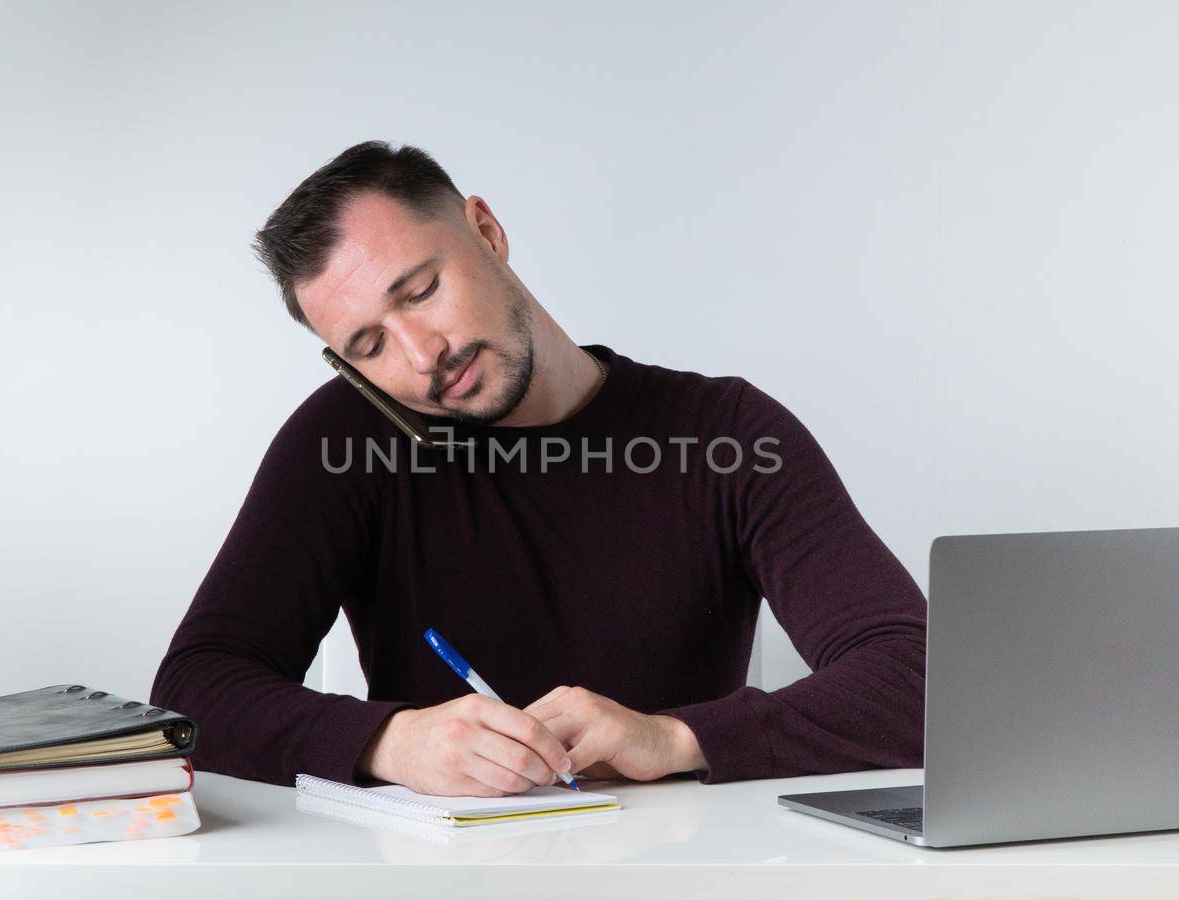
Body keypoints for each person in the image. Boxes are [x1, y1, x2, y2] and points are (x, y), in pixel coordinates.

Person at [149, 140, 926, 797]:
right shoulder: (343, 442)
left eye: (421, 292)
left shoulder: (725, 433)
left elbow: (920, 678)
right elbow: (194, 692)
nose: (424, 357)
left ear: (486, 232)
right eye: (370, 347)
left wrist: (676, 738)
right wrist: (390, 741)